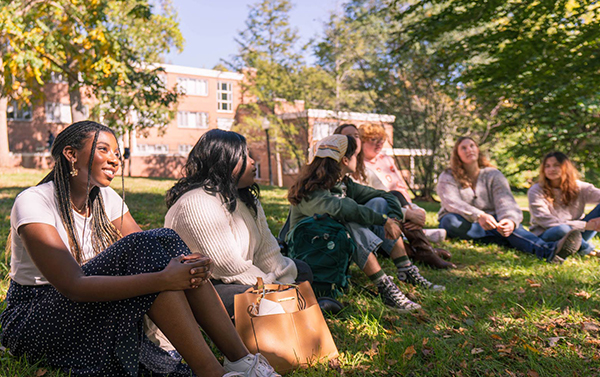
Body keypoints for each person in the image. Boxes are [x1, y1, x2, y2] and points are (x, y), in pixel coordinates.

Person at [0, 121, 301, 377]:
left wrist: (191, 265)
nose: (115, 159)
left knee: (164, 242)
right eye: (103, 149)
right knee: (151, 250)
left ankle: (242, 362)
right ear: (71, 154)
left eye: (118, 152)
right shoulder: (34, 201)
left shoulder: (105, 198)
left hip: (85, 307)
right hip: (35, 318)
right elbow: (73, 285)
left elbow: (154, 251)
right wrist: (163, 279)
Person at [288, 135, 446, 314]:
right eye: (356, 155)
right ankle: (384, 286)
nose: (359, 158)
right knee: (349, 221)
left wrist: (393, 218)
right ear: (346, 160)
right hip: (306, 251)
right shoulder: (312, 190)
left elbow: (385, 195)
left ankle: (406, 270)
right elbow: (343, 208)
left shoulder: (343, 184)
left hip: (332, 244)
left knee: (377, 202)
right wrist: (383, 220)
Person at [164, 129, 312, 317]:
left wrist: (284, 282)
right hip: (208, 286)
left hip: (249, 278)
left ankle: (287, 305)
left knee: (302, 270)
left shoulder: (245, 199)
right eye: (244, 155)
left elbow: (268, 252)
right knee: (242, 296)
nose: (252, 161)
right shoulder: (197, 202)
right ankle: (293, 306)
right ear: (224, 161)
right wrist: (275, 288)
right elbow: (228, 267)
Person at [437, 136, 582, 263]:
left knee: (508, 227)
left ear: (478, 149)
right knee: (449, 221)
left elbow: (505, 201)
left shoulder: (493, 174)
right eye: (463, 148)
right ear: (457, 154)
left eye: (472, 146)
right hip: (466, 223)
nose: (469, 150)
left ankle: (548, 251)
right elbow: (451, 202)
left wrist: (509, 220)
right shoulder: (448, 175)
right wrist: (479, 215)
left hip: (494, 222)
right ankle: (509, 239)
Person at [333, 123, 455, 269]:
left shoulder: (363, 170)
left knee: (393, 195)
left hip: (378, 223)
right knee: (380, 205)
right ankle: (424, 251)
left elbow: (388, 196)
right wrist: (407, 215)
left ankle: (423, 250)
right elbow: (360, 208)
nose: (354, 139)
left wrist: (414, 211)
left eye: (356, 136)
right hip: (359, 226)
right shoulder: (338, 171)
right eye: (348, 136)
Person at [528, 151, 600, 256]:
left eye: (556, 165)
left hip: (578, 233)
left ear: (566, 167)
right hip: (549, 234)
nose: (551, 169)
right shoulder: (536, 190)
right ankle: (589, 250)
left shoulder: (580, 187)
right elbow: (547, 222)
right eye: (547, 166)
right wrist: (584, 225)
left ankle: (575, 246)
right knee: (563, 229)